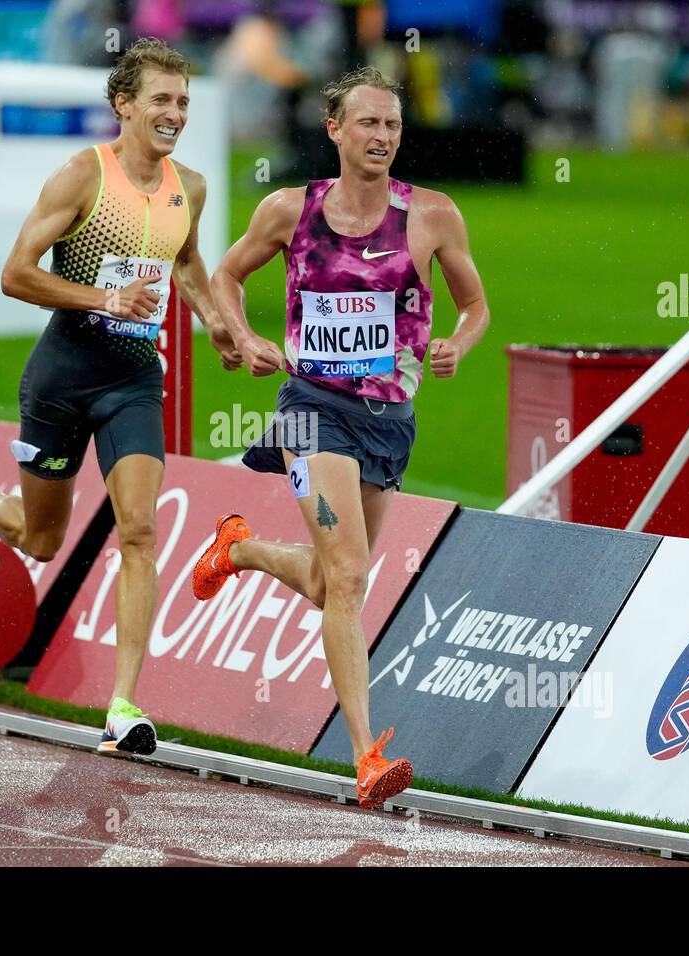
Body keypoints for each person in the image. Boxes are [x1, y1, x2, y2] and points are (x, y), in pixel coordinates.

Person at [194, 67, 491, 808]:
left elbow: (477, 305)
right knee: (352, 578)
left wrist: (459, 342)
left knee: (331, 582)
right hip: (308, 408)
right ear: (334, 129)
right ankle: (365, 754)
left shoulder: (433, 216)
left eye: (391, 126)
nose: (382, 138)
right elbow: (224, 277)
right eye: (367, 124)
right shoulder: (288, 210)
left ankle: (241, 548)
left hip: (389, 421)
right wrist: (242, 335)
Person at [0, 38, 239, 755]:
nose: (174, 114)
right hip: (61, 374)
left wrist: (222, 328)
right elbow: (15, 274)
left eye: (183, 102)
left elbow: (189, 263)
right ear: (125, 105)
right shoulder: (83, 175)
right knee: (44, 541)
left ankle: (123, 707)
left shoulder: (189, 187)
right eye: (161, 101)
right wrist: (105, 294)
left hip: (134, 378)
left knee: (138, 529)